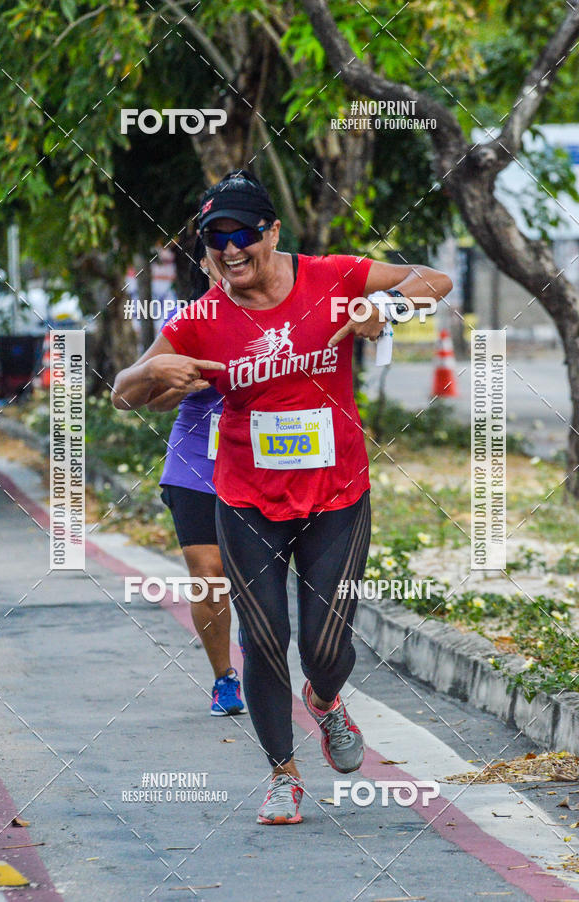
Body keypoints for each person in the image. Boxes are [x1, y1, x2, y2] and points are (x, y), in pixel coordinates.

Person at [113, 170, 452, 826]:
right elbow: (123, 392)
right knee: (265, 639)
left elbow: (430, 278)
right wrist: (150, 370)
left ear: (272, 231)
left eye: (243, 233)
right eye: (216, 238)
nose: (230, 249)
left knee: (326, 647)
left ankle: (325, 702)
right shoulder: (203, 318)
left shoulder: (332, 277)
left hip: (337, 493)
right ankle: (283, 775)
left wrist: (387, 308)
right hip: (245, 498)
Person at [130, 240, 245, 717]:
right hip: (197, 460)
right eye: (215, 249)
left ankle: (272, 671)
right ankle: (225, 679)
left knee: (257, 578)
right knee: (208, 575)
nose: (229, 256)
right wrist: (180, 387)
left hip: (267, 459)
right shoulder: (190, 320)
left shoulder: (283, 309)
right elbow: (147, 395)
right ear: (203, 262)